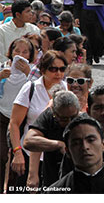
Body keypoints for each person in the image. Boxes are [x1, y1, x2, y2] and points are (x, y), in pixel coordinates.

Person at [7, 51, 68, 190]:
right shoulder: (30, 88)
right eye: (53, 69)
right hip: (28, 154)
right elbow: (14, 123)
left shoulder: (66, 88)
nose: (58, 73)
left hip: (56, 156)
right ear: (42, 70)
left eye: (62, 69)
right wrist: (17, 153)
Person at [23, 90, 80, 187]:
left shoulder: (84, 119)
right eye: (64, 119)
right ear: (54, 113)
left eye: (73, 117)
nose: (70, 122)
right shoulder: (48, 117)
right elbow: (28, 141)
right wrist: (58, 145)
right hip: (52, 180)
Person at [0, 37, 35, 187]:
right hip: (2, 115)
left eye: (25, 51)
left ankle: (14, 189)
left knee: (19, 155)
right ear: (11, 52)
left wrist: (29, 72)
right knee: (1, 155)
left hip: (21, 119)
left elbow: (40, 88)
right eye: (17, 51)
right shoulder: (2, 67)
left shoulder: (34, 71)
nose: (20, 54)